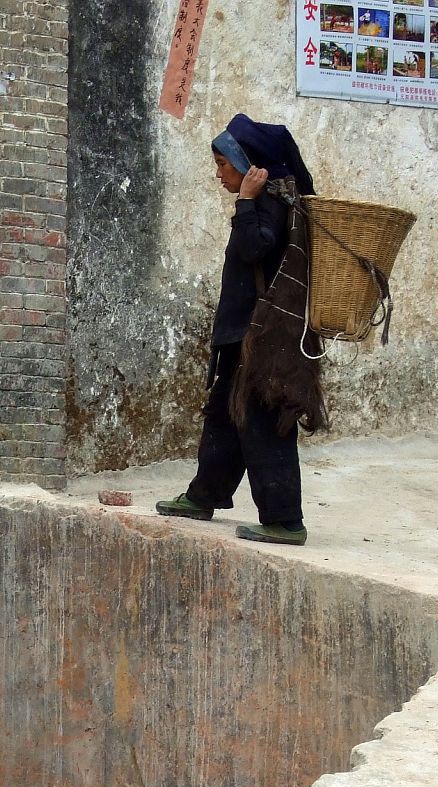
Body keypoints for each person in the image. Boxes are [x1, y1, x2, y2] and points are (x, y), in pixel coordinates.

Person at [156, 114, 327, 545]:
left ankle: (285, 520)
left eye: (223, 165)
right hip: (243, 335)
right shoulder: (271, 201)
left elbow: (255, 247)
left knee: (263, 421)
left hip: (260, 338)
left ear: (249, 166)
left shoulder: (269, 203)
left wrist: (246, 201)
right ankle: (204, 495)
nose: (219, 175)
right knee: (223, 416)